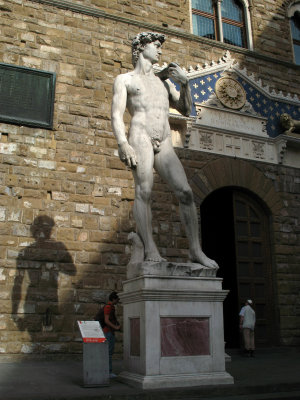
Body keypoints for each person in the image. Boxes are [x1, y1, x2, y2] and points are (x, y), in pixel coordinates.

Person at [111, 32, 218, 269]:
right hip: (140, 136)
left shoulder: (164, 82)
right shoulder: (125, 79)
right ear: (140, 48)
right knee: (144, 191)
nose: (160, 50)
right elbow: (117, 115)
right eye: (155, 46)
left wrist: (185, 83)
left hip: (165, 140)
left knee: (186, 193)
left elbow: (186, 109)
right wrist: (122, 143)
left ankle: (195, 250)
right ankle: (149, 247)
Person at [102, 292, 121, 378]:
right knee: (108, 352)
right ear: (113, 299)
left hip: (109, 331)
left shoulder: (111, 307)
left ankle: (107, 371)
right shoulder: (108, 307)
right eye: (117, 299)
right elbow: (106, 320)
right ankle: (108, 372)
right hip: (107, 331)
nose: (118, 301)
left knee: (109, 351)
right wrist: (115, 327)